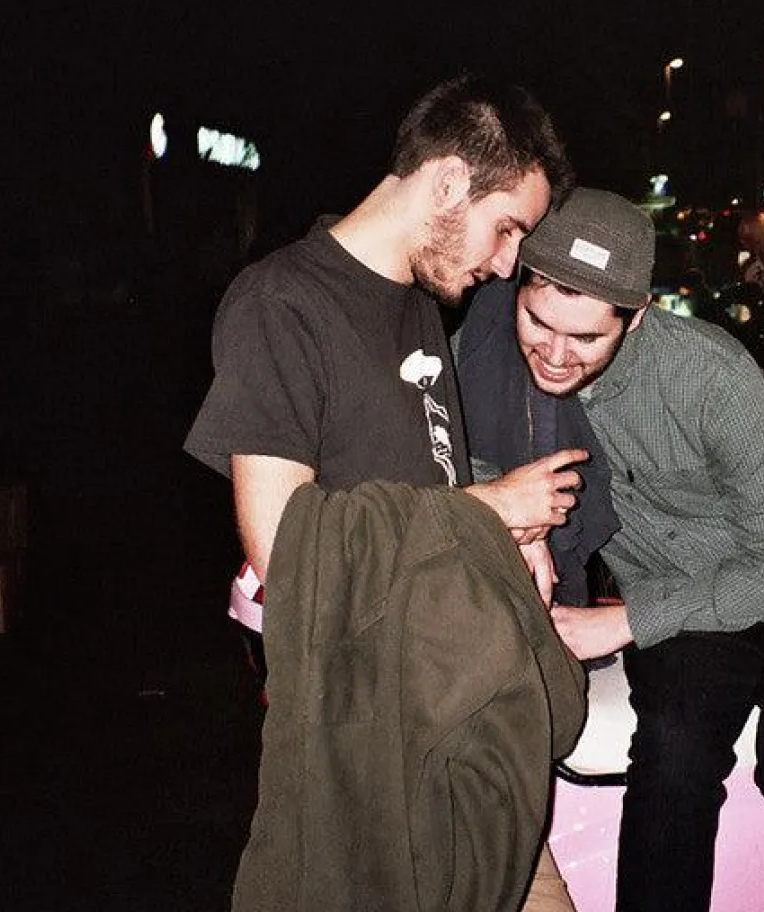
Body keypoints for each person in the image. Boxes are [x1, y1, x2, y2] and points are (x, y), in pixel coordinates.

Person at [183, 73, 586, 912]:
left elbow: (427, 488)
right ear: (447, 183)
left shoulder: (418, 308)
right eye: (506, 227)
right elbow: (286, 548)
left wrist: (511, 537)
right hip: (372, 744)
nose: (507, 263)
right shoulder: (282, 303)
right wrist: (490, 510)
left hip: (459, 702)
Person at [494, 187, 764, 911]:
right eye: (538, 321)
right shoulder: (498, 354)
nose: (554, 353)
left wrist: (623, 621)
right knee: (672, 752)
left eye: (585, 338)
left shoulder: (711, 378)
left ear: (637, 317)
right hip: (685, 586)